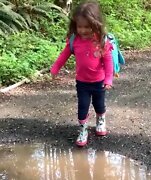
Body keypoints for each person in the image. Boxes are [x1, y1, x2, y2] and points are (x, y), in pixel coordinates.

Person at [50, 1, 113, 147]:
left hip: (99, 82)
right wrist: (55, 68)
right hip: (82, 83)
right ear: (75, 25)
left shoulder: (101, 41)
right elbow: (63, 55)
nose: (83, 30)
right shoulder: (74, 41)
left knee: (99, 105)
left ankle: (101, 120)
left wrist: (109, 79)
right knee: (82, 106)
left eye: (87, 27)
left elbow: (108, 61)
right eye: (80, 26)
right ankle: (83, 128)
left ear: (95, 24)